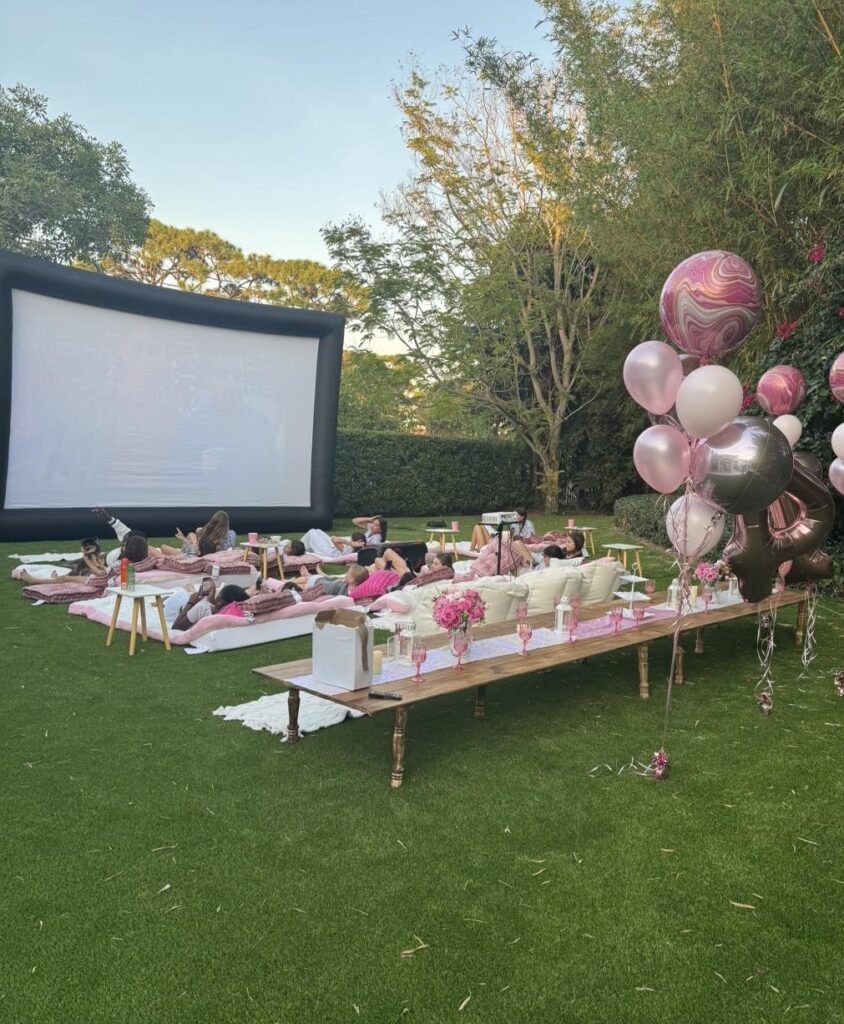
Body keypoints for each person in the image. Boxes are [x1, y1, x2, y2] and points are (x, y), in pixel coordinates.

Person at [18, 538, 107, 586]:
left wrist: (88, 560)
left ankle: (35, 581)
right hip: (97, 576)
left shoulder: (101, 560)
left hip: (100, 579)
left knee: (66, 578)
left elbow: (99, 573)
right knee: (70, 569)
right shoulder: (99, 557)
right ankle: (54, 578)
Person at [168, 582, 250, 631]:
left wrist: (191, 602)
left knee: (183, 592)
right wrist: (212, 599)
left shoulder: (201, 608)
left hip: (177, 607)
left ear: (220, 601)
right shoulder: (227, 613)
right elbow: (218, 608)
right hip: (195, 602)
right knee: (194, 592)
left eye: (219, 594)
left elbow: (175, 629)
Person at [470, 508, 536, 551]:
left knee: (477, 527)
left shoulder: (528, 525)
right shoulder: (513, 523)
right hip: (499, 542)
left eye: (515, 515)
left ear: (522, 517)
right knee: (478, 526)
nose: (513, 516)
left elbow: (529, 539)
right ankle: (472, 549)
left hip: (499, 546)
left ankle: (473, 550)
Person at [300, 528, 368, 558]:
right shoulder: (360, 550)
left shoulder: (349, 551)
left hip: (329, 552)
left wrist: (350, 543)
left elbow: (333, 539)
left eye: (351, 538)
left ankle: (298, 547)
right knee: (318, 531)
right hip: (333, 547)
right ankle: (302, 546)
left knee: (312, 532)